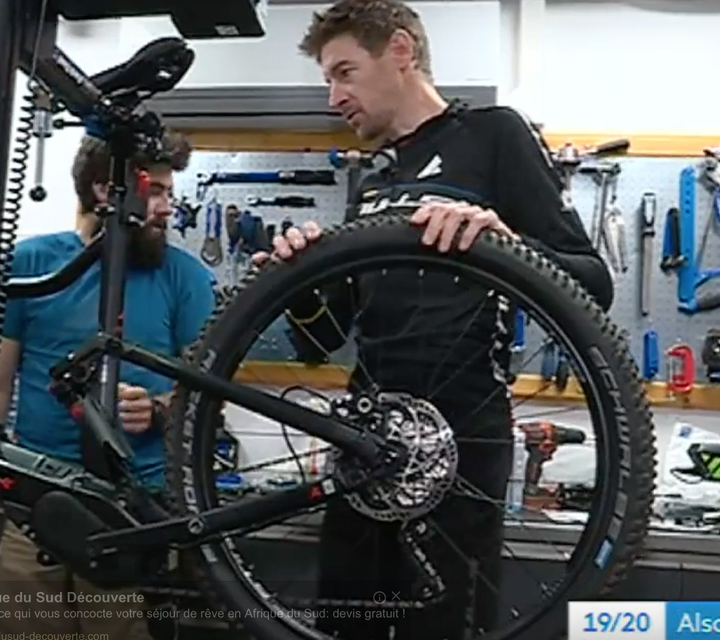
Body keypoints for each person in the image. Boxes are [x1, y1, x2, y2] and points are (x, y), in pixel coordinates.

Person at [257, 1, 616, 638]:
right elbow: (322, 340)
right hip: (366, 439)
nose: (334, 98)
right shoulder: (372, 181)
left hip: (463, 439)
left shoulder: (494, 135)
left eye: (344, 73)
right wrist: (297, 282)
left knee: (445, 627)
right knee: (345, 624)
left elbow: (592, 284)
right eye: (328, 81)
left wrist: (506, 243)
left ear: (400, 51)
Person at [0, 131, 217, 638]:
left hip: (133, 511)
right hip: (34, 505)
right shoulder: (30, 264)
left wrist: (158, 408)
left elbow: (206, 397)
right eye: (156, 191)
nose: (167, 208)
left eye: (170, 193)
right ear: (105, 190)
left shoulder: (185, 277)